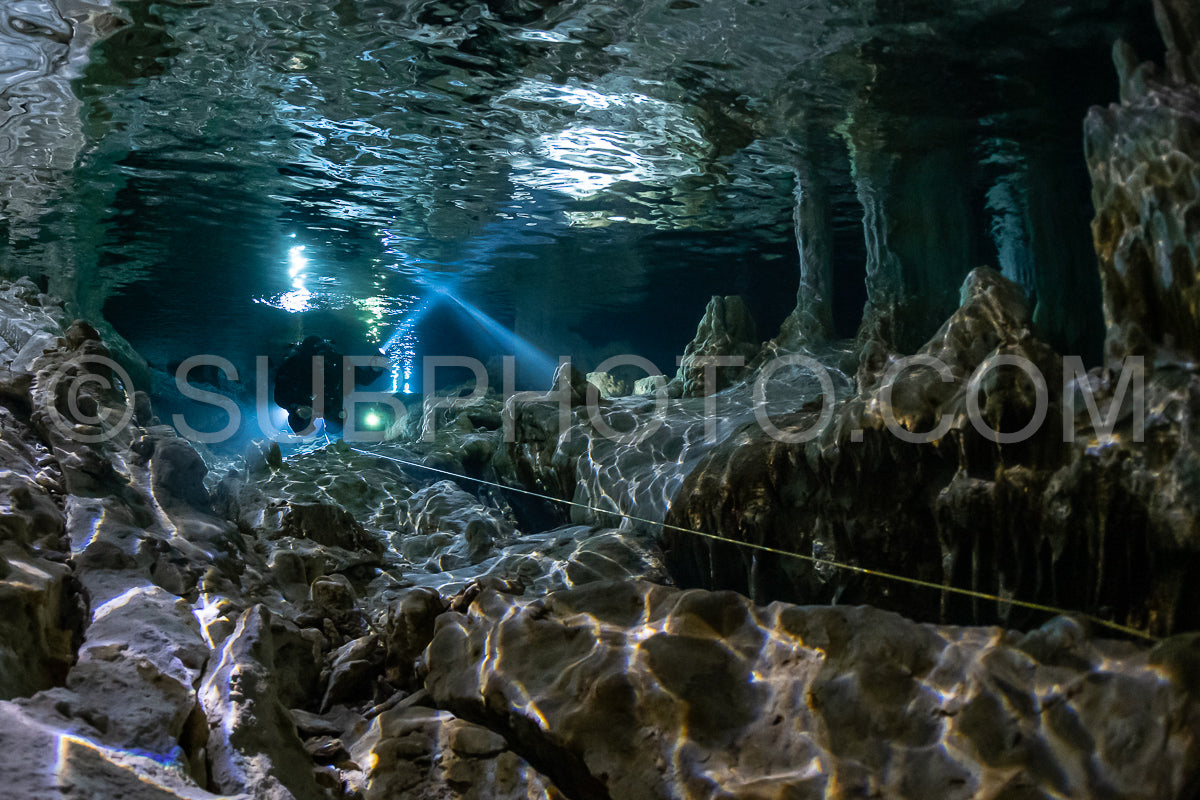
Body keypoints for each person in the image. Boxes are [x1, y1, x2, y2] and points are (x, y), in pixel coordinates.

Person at [273, 336, 385, 433]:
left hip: (327, 402)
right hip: (306, 401)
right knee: (301, 427)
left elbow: (364, 379)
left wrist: (374, 369)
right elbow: (280, 393)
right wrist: (296, 407)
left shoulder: (336, 363)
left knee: (335, 427)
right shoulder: (295, 366)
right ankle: (304, 421)